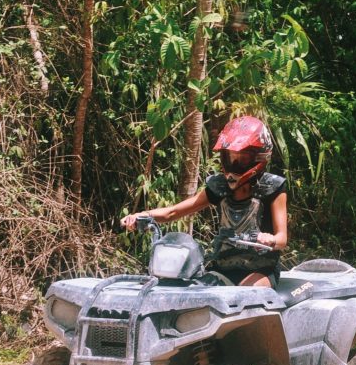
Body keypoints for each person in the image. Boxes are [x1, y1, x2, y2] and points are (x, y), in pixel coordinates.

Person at [121, 115, 288, 287]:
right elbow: (173, 212)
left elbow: (282, 238)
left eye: (243, 157)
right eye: (231, 157)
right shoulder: (220, 187)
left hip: (261, 270)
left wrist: (269, 239)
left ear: (259, 157)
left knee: (247, 295)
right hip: (223, 268)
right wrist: (143, 215)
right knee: (194, 295)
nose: (235, 162)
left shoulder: (272, 188)